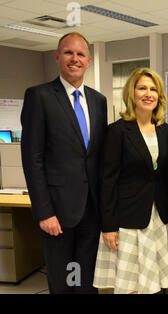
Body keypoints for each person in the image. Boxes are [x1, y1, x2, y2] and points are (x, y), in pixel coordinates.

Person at [20, 32, 107, 294]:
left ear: (89, 61)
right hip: (57, 213)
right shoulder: (40, 96)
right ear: (57, 57)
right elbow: (32, 158)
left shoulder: (98, 101)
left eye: (81, 54)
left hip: (91, 211)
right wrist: (44, 211)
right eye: (69, 53)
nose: (74, 59)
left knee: (87, 282)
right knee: (63, 282)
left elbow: (98, 156)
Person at [93, 68, 168, 294]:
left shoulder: (165, 130)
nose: (148, 94)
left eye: (153, 89)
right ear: (132, 93)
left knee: (155, 283)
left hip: (159, 219)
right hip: (128, 220)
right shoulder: (117, 131)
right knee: (132, 287)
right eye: (142, 88)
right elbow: (107, 181)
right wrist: (108, 226)